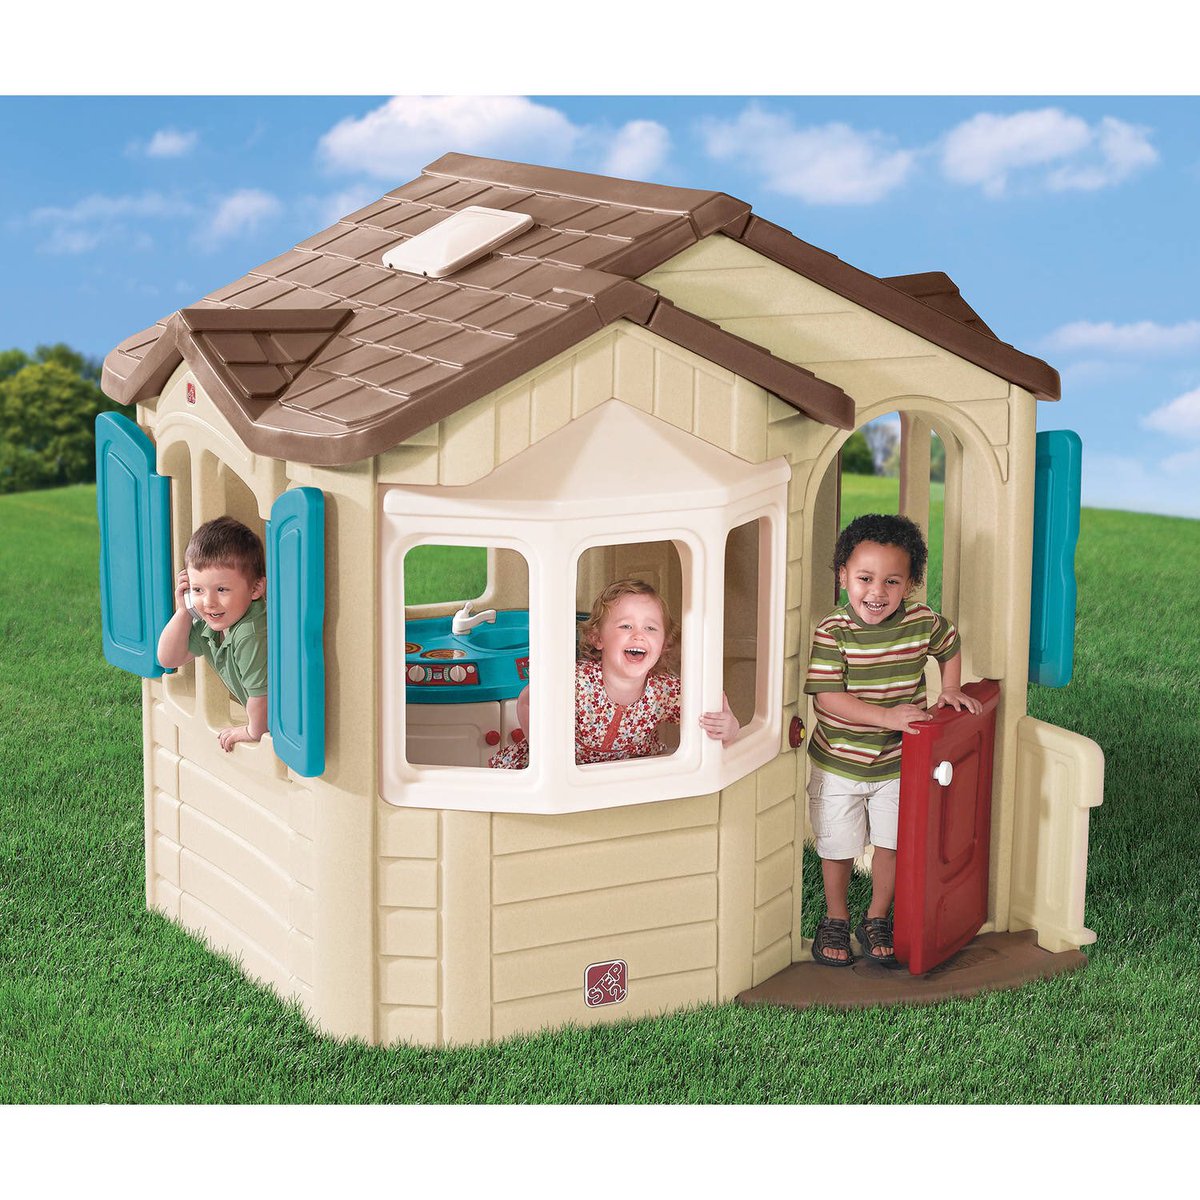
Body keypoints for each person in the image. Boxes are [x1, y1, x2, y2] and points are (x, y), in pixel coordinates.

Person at [804, 513, 982, 968]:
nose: (877, 592)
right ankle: (836, 917)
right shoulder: (833, 631)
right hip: (840, 762)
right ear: (843, 576)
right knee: (838, 845)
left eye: (892, 581)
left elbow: (950, 643)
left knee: (892, 842)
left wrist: (950, 688)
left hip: (899, 761)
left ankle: (877, 917)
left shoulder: (920, 621)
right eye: (864, 578)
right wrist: (888, 716)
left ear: (910, 584)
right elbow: (828, 697)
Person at [490, 578, 738, 769]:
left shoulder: (664, 690)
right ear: (597, 638)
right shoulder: (579, 681)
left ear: (664, 644)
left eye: (650, 628)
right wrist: (544, 755)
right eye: (626, 626)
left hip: (623, 780)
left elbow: (707, 715)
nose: (638, 635)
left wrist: (729, 727)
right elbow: (528, 699)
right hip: (568, 776)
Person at [157, 516, 268, 753]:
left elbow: (262, 696)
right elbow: (169, 658)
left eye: (222, 589)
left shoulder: (250, 633)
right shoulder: (211, 623)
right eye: (198, 589)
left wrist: (252, 731)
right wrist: (184, 611)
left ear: (255, 588)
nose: (209, 602)